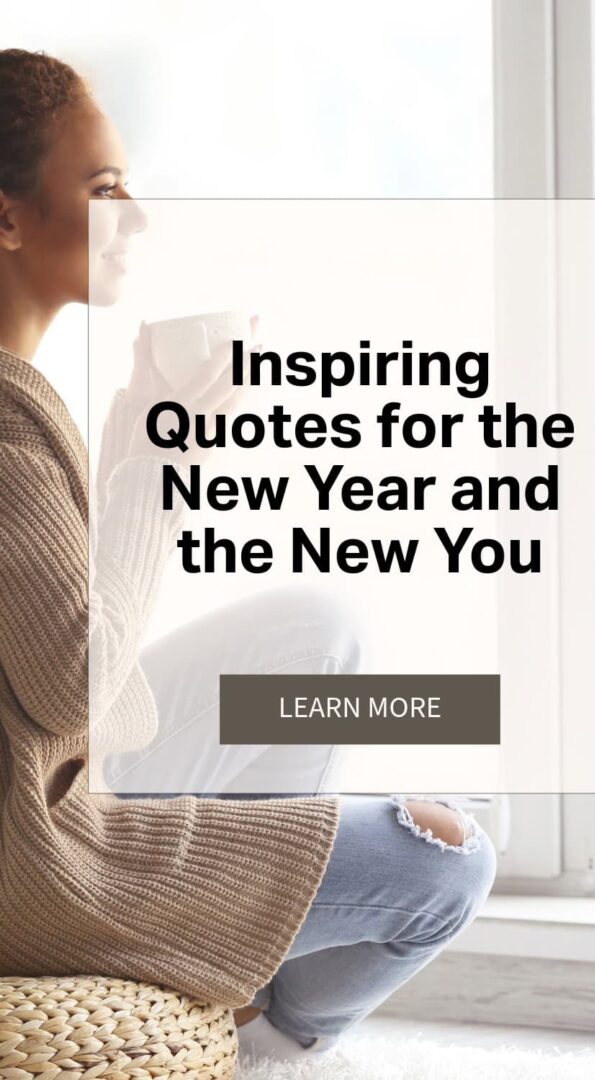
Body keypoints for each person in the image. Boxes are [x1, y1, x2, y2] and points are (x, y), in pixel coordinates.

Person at [0, 48, 496, 1062]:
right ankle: (269, 1041)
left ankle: (230, 963)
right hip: (30, 861)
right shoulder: (7, 434)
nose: (135, 216)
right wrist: (156, 456)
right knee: (449, 862)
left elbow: (70, 678)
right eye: (103, 190)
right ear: (8, 218)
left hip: (46, 778)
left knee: (321, 630)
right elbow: (84, 687)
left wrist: (146, 437)